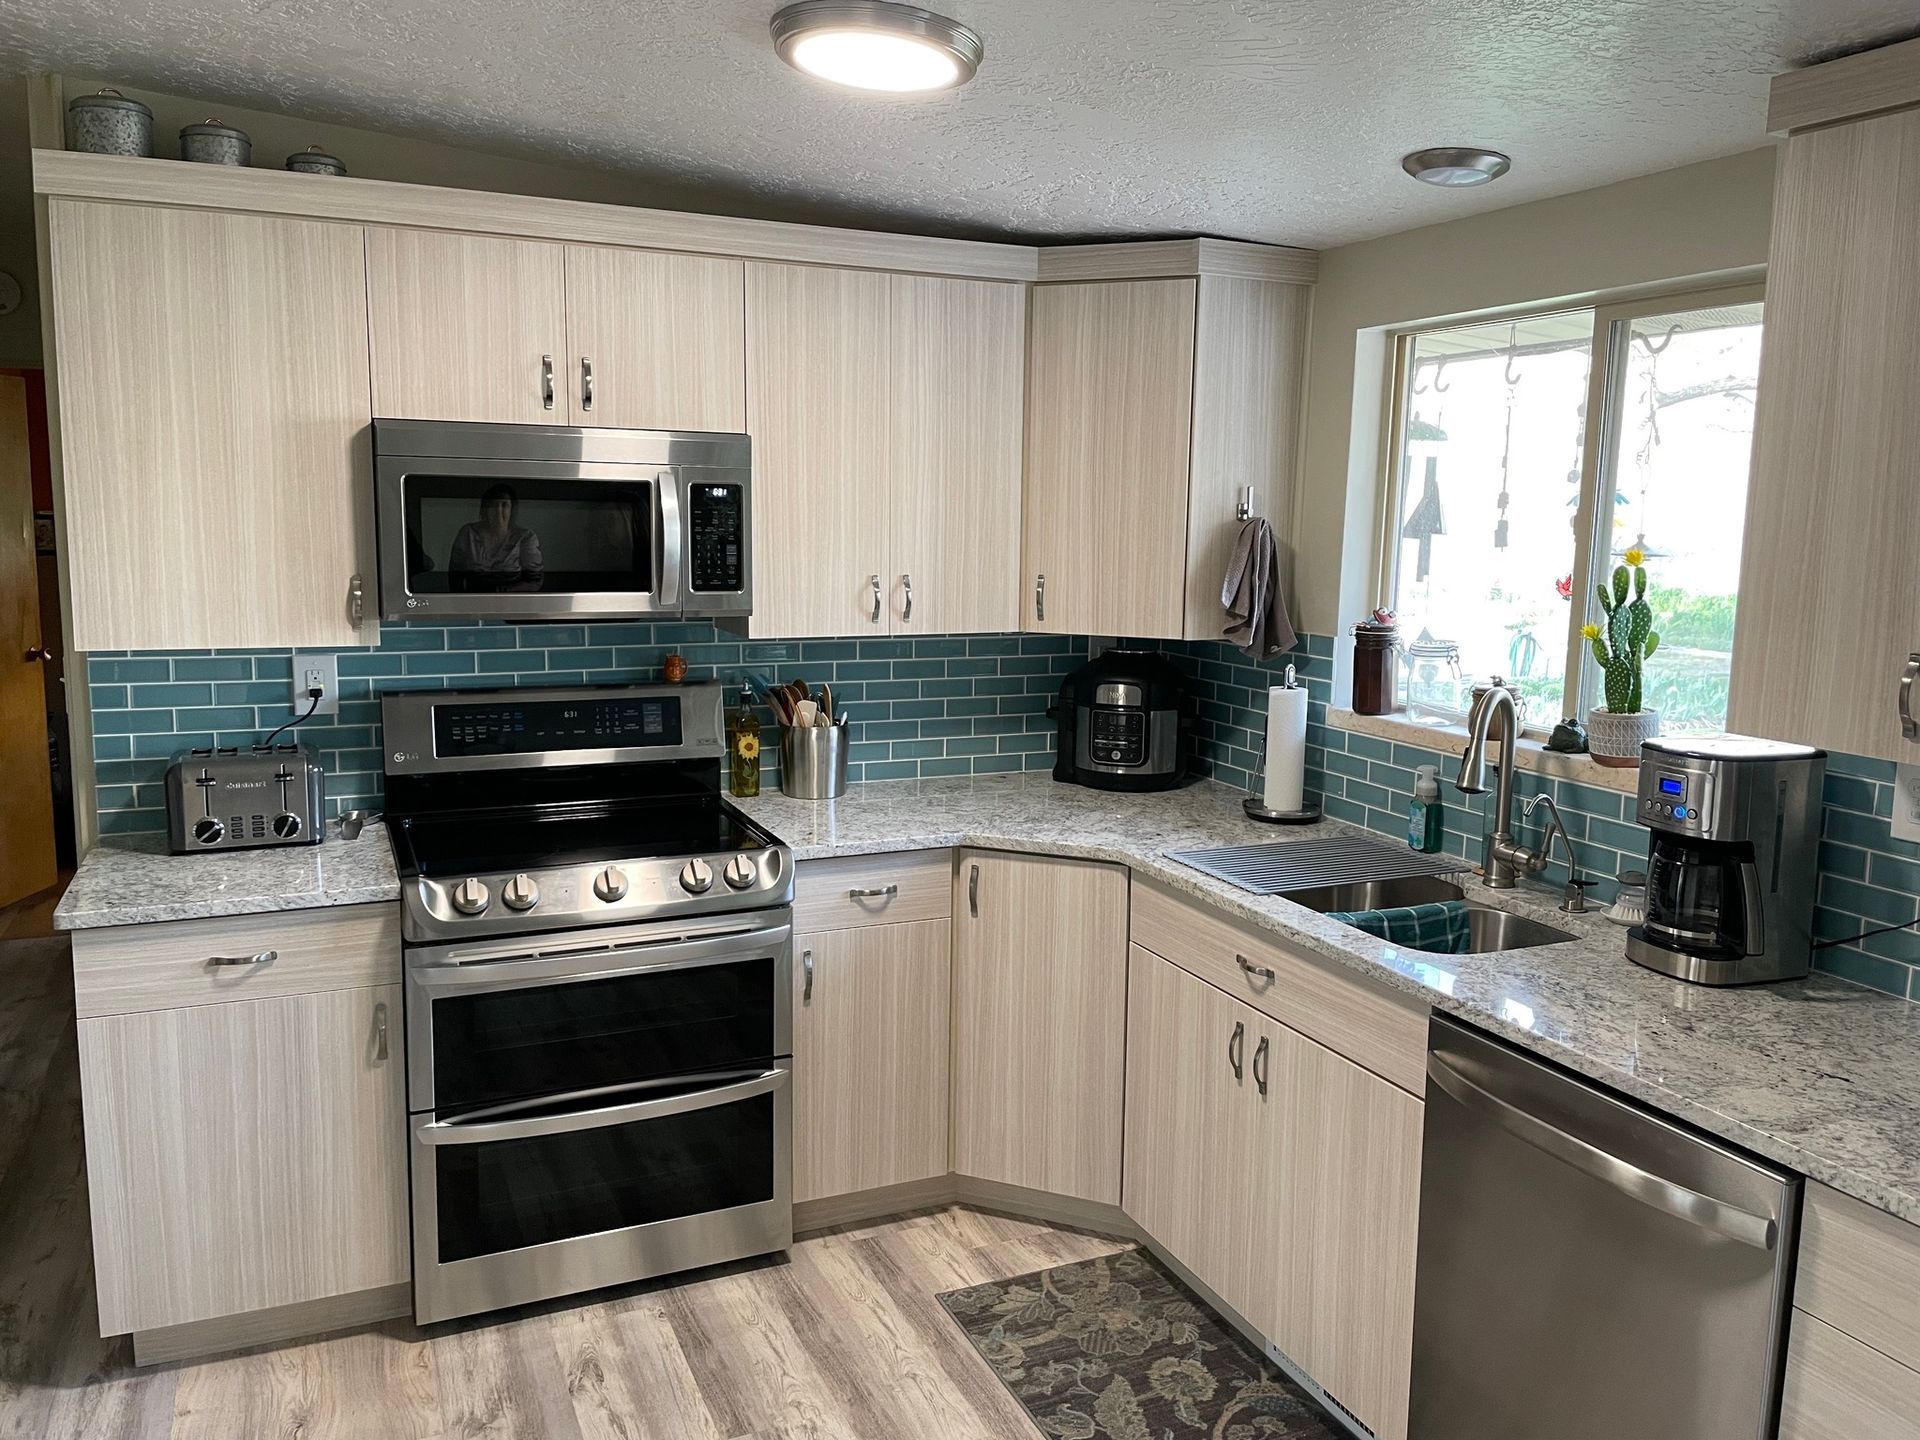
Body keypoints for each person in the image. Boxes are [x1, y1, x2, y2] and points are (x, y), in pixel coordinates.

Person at [449, 484, 544, 592]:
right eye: (493, 506)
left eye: (504, 505)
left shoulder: (526, 537)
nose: (498, 511)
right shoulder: (468, 533)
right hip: (473, 600)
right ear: (485, 510)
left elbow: (534, 581)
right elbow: (454, 578)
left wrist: (503, 593)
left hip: (514, 601)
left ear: (512, 509)